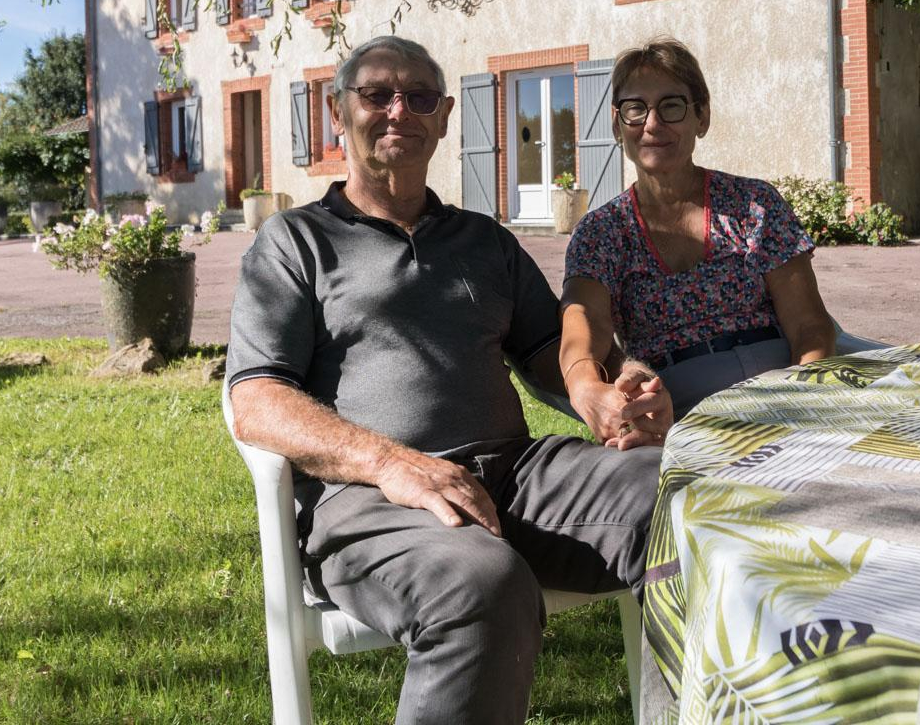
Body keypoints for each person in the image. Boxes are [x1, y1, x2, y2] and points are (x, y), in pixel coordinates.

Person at [225, 35, 672, 725]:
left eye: (419, 97)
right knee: (481, 583)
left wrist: (619, 382)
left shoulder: (484, 240)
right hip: (371, 500)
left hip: (518, 478)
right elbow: (257, 400)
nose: (399, 111)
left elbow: (554, 349)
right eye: (377, 94)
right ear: (338, 113)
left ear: (443, 118)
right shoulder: (294, 242)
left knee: (688, 500)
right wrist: (391, 463)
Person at [561, 37, 838, 422]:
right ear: (617, 124)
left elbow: (809, 325)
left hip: (780, 382)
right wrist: (586, 387)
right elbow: (582, 328)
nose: (652, 124)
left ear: (702, 117)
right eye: (635, 108)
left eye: (672, 106)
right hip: (677, 404)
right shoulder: (602, 232)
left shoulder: (753, 204)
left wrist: (800, 397)